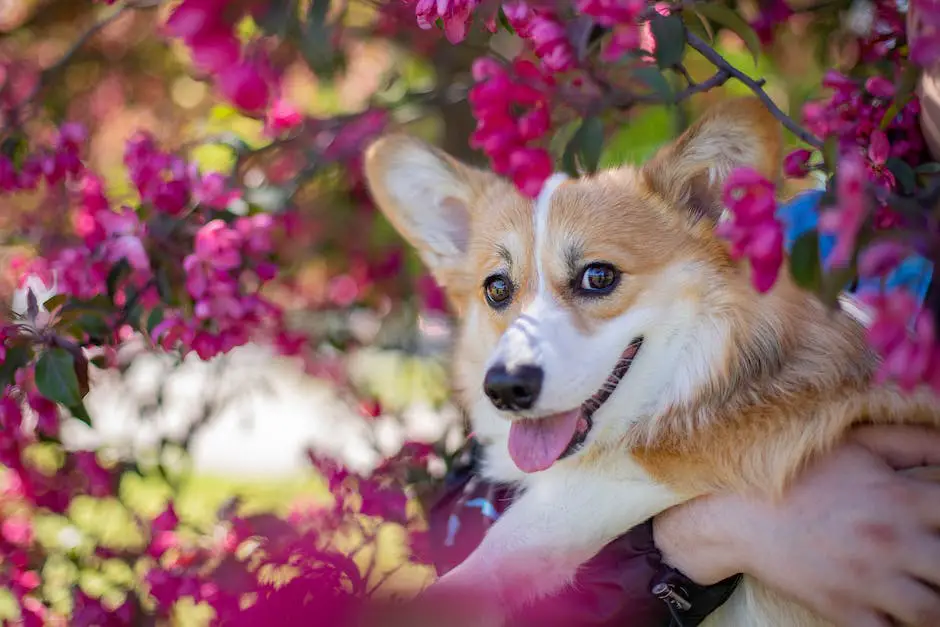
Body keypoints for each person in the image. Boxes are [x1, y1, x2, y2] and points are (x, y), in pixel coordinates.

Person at [425, 189, 940, 627]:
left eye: (596, 279)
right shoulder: (794, 226)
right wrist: (719, 528)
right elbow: (463, 515)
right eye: (500, 291)